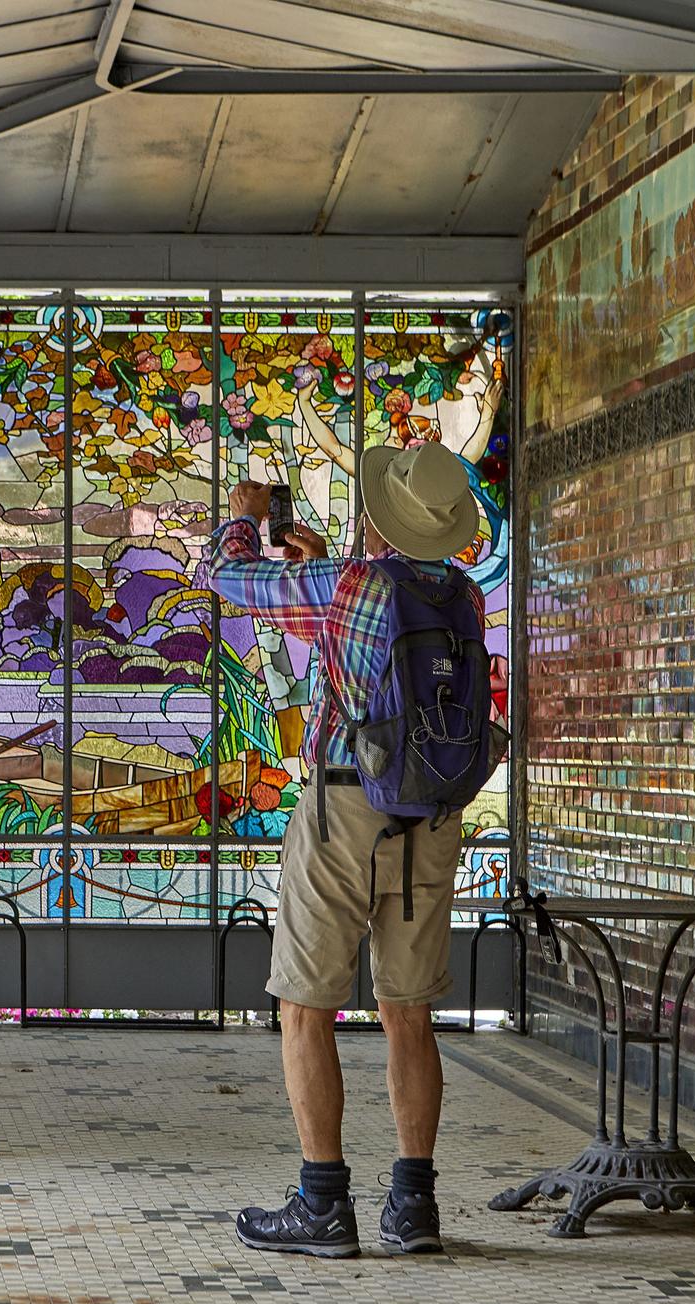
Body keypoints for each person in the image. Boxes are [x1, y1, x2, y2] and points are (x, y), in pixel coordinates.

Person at [197, 443, 486, 1258]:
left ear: (380, 513)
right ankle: (414, 1207)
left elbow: (231, 580)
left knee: (305, 1004)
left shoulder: (351, 586)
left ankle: (323, 1203)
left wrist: (246, 516)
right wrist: (327, 568)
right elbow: (361, 642)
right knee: (408, 1011)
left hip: (347, 808)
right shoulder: (460, 593)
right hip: (432, 813)